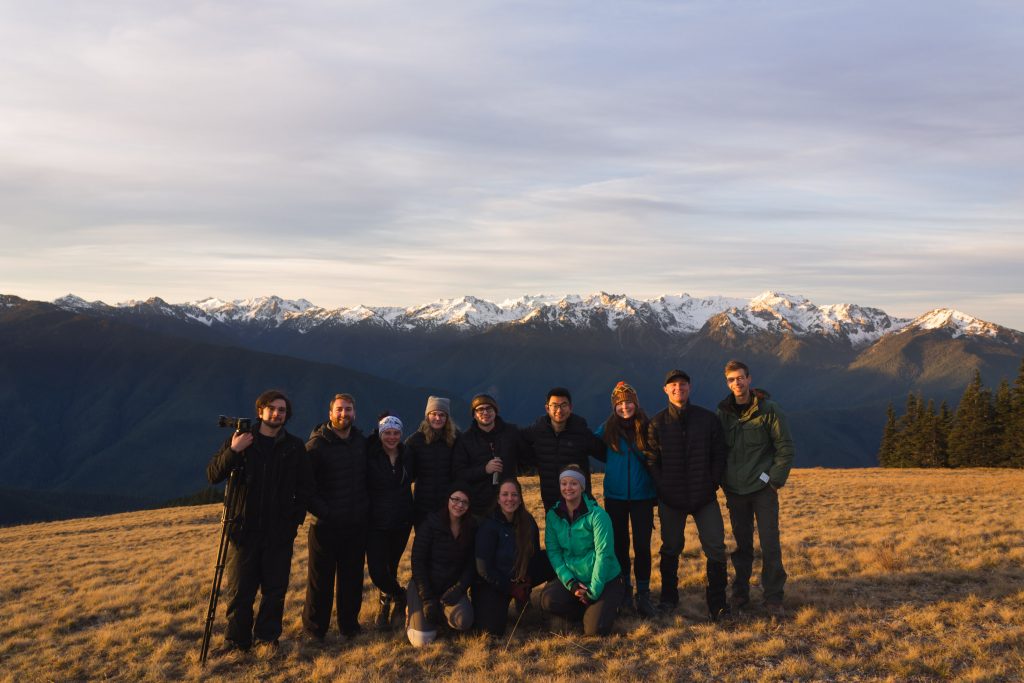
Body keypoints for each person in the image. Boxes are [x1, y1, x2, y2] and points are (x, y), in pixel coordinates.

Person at [206, 389, 312, 652]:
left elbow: (306, 486)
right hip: (242, 531)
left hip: (279, 533)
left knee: (274, 591)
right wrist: (233, 450)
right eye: (272, 408)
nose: (277, 413)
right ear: (260, 411)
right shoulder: (242, 440)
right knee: (241, 591)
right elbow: (213, 474)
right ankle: (237, 641)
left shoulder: (294, 446)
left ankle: (267, 638)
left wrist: (293, 521)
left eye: (282, 410)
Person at [646, 369, 730, 620]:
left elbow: (719, 454)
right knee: (671, 547)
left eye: (682, 385)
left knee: (715, 546)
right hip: (671, 499)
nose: (678, 389)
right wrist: (664, 489)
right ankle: (668, 599)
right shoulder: (657, 423)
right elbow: (651, 461)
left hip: (704, 496)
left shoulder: (707, 420)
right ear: (665, 390)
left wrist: (712, 483)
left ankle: (718, 603)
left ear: (689, 387)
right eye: (672, 385)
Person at [717, 360, 795, 618]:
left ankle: (773, 597)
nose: (736, 383)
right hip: (735, 490)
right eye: (731, 379)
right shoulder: (723, 414)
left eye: (740, 378)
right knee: (742, 546)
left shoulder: (769, 410)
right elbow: (717, 451)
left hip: (762, 489)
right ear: (727, 383)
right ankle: (740, 594)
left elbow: (785, 447)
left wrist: (774, 481)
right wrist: (722, 481)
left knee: (770, 543)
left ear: (749, 379)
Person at [302, 393, 369, 642]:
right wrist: (325, 512)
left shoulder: (360, 442)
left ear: (354, 413)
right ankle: (314, 630)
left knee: (352, 580)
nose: (344, 414)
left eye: (348, 410)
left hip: (355, 524)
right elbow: (305, 486)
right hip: (325, 527)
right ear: (330, 414)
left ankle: (349, 626)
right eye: (339, 410)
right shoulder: (317, 445)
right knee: (320, 581)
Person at [594, 381, 658, 618]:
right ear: (614, 406)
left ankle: (643, 593)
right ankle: (624, 591)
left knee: (642, 547)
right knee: (619, 547)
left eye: (628, 402)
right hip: (615, 497)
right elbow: (591, 444)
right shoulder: (607, 428)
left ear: (636, 403)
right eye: (619, 403)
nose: (624, 407)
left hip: (642, 496)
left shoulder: (648, 427)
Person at [540, 465, 625, 636]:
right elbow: (554, 553)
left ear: (582, 487)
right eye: (564, 483)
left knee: (595, 631)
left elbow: (604, 554)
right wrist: (570, 584)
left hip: (604, 579)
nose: (568, 488)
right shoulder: (553, 515)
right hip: (575, 578)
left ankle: (605, 605)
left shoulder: (598, 516)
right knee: (547, 600)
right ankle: (587, 609)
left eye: (573, 483)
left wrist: (593, 591)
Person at [473, 478, 554, 637]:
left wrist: (526, 580)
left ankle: (551, 601)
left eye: (514, 495)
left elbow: (534, 555)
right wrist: (511, 588)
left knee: (552, 558)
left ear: (520, 498)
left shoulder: (528, 521)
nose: (510, 499)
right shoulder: (489, 526)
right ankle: (506, 599)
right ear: (498, 499)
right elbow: (484, 569)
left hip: (519, 575)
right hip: (495, 582)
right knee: (491, 631)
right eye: (505, 494)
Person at [406, 486, 478, 647]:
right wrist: (427, 599)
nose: (459, 505)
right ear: (448, 500)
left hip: (450, 588)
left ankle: (440, 613)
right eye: (455, 499)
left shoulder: (471, 528)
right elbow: (417, 562)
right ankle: (411, 609)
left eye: (464, 502)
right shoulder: (430, 524)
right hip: (424, 587)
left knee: (464, 621)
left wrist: (459, 589)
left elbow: (470, 565)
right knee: (422, 640)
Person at [521, 387, 605, 512]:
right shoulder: (537, 431)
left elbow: (605, 453)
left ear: (570, 408)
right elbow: (516, 441)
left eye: (563, 405)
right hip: (551, 503)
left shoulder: (580, 431)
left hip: (579, 502)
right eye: (554, 405)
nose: (559, 410)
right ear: (547, 408)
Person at [366, 414, 414, 630]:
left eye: (396, 433)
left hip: (402, 521)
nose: (392, 437)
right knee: (377, 571)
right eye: (387, 433)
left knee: (391, 567)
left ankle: (384, 609)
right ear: (380, 434)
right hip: (376, 522)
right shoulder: (370, 456)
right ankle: (400, 595)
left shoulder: (407, 456)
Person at [453, 394, 525, 516]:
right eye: (480, 409)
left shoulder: (512, 432)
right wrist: (484, 470)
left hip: (509, 502)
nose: (485, 412)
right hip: (479, 506)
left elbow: (526, 457)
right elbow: (459, 473)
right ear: (474, 415)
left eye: (489, 408)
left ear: (495, 411)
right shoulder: (465, 440)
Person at [406, 396, 458, 527]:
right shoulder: (415, 441)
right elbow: (406, 472)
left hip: (449, 506)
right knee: (423, 545)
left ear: (447, 418)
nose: (438, 418)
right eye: (433, 414)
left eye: (442, 415)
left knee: (446, 545)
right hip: (423, 507)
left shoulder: (456, 439)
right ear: (427, 416)